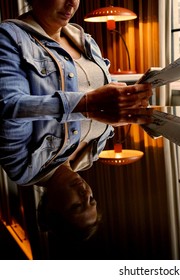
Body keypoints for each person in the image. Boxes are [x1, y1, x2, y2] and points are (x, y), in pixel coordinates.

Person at [0, 0, 152, 242]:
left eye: (77, 206)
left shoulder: (84, 38)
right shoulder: (10, 36)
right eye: (91, 201)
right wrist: (92, 104)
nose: (86, 194)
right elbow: (7, 105)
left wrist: (126, 98)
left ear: (50, 207)